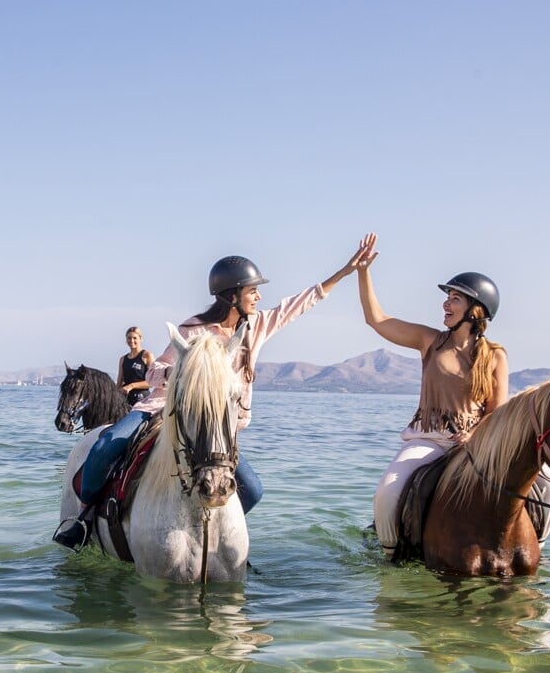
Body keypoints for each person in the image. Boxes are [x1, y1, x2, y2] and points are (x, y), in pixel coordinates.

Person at [54, 236, 374, 549]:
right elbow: (154, 373)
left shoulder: (254, 328)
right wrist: (180, 371)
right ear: (231, 296)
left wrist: (345, 272)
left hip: (217, 428)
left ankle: (217, 537)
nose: (259, 297)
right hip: (162, 409)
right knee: (104, 447)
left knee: (254, 490)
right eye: (253, 291)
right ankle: (82, 520)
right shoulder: (192, 330)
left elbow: (298, 305)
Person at [353, 235, 515, 556]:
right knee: (387, 490)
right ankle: (390, 551)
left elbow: (498, 409)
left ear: (476, 309)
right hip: (429, 438)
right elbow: (378, 320)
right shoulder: (430, 340)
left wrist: (474, 434)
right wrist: (363, 272)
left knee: (543, 486)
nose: (446, 303)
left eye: (456, 298)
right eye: (448, 297)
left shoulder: (496, 355)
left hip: (477, 442)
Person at [117, 326, 155, 405]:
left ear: (140, 339)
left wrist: (132, 386)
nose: (132, 340)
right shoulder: (123, 359)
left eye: (135, 338)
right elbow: (119, 383)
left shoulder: (147, 355)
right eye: (129, 338)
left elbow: (152, 382)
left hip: (141, 400)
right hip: (125, 400)